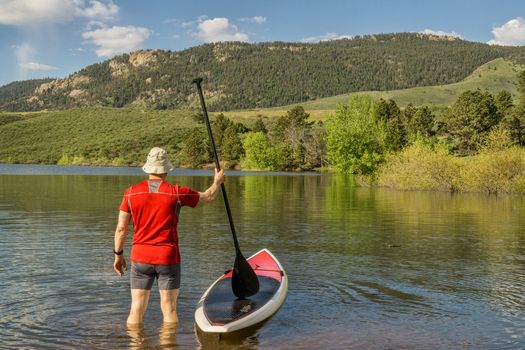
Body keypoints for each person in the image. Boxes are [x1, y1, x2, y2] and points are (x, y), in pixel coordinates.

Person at [113, 146, 225, 325]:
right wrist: (217, 182)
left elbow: (120, 228)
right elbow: (209, 197)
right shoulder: (177, 192)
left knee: (136, 308)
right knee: (169, 308)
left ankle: (134, 344)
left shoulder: (130, 193)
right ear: (166, 169)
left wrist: (118, 255)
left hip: (140, 257)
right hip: (168, 257)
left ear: (148, 168)